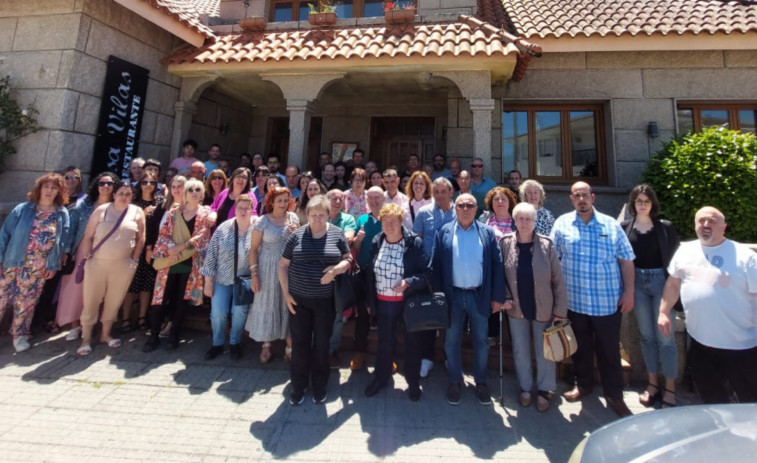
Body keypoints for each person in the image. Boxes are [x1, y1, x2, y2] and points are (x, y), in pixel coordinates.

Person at [550, 181, 635, 418]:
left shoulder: (610, 224)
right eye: (577, 195)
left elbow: (626, 261)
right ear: (571, 199)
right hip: (575, 302)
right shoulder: (562, 224)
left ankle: (614, 395)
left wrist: (629, 292)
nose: (581, 199)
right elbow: (553, 262)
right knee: (580, 349)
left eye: (585, 195)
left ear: (593, 197)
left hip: (606, 303)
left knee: (609, 351)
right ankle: (583, 385)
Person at [658, 207, 757, 404]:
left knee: (750, 403)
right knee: (711, 399)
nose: (705, 225)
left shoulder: (746, 257)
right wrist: (663, 311)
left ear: (724, 227)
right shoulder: (685, 251)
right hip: (701, 344)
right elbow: (673, 282)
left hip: (741, 347)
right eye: (700, 221)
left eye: (711, 221)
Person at [278, 195, 352, 405]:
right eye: (313, 214)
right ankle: (298, 387)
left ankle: (319, 386)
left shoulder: (337, 235)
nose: (317, 218)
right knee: (300, 345)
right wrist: (286, 294)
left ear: (328, 215)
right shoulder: (297, 235)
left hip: (325, 303)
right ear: (307, 215)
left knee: (321, 345)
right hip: (298, 301)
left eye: (322, 214)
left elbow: (348, 259)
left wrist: (336, 269)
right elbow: (283, 265)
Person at [433, 193, 505, 406]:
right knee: (451, 340)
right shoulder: (444, 231)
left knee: (481, 341)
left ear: (476, 209)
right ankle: (455, 381)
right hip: (452, 296)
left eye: (470, 205)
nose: (465, 208)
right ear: (456, 208)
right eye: (461, 205)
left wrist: (498, 297)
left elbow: (497, 265)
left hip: (479, 295)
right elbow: (436, 265)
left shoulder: (488, 233)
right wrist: (438, 296)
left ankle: (481, 382)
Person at [500, 202, 568, 412]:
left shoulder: (547, 245)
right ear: (514, 221)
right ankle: (526, 387)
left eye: (528, 219)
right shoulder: (505, 243)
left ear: (535, 221)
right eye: (520, 218)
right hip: (516, 306)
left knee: (544, 350)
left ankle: (545, 389)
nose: (524, 222)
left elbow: (558, 280)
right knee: (520, 349)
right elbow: (500, 274)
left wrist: (560, 310)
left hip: (544, 307)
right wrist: (504, 297)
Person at [620, 185, 680, 408]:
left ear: (653, 203)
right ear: (633, 204)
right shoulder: (626, 227)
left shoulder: (665, 228)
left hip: (662, 283)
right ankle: (652, 383)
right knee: (646, 336)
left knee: (666, 338)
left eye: (646, 201)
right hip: (637, 283)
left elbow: (676, 261)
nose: (642, 204)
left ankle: (671, 388)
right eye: (638, 201)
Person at [363, 203, 431, 401]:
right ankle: (381, 378)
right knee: (384, 342)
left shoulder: (414, 243)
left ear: (402, 222)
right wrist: (370, 302)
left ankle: (413, 382)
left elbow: (428, 273)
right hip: (383, 304)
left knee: (412, 343)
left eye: (394, 221)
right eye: (385, 221)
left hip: (408, 303)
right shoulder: (377, 240)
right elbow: (370, 273)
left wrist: (409, 282)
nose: (389, 225)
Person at [0, 173, 69, 352]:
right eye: (46, 186)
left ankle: (20, 335)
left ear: (59, 192)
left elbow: (61, 242)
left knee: (26, 302)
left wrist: (53, 266)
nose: (49, 191)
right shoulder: (23, 209)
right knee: (1, 299)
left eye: (54, 188)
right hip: (11, 262)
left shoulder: (61, 213)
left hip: (37, 268)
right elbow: (4, 234)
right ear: (39, 188)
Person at [143, 179, 214, 351]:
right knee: (160, 300)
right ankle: (153, 336)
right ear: (185, 193)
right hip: (170, 261)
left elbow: (203, 237)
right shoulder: (174, 213)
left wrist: (179, 248)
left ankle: (174, 335)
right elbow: (164, 234)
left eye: (198, 189)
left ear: (202, 193)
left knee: (181, 300)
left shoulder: (205, 214)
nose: (194, 192)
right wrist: (170, 251)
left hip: (189, 263)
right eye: (191, 189)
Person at [76, 181, 145, 356]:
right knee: (91, 299)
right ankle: (86, 338)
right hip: (98, 262)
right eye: (121, 193)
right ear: (114, 194)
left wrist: (134, 260)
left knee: (114, 299)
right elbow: (88, 235)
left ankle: (105, 334)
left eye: (128, 194)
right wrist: (87, 257)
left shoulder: (137, 212)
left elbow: (141, 238)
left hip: (123, 264)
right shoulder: (102, 210)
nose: (124, 197)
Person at [57, 172, 116, 341]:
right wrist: (67, 251)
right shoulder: (84, 206)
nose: (105, 187)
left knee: (98, 290)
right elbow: (72, 228)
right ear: (96, 186)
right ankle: (75, 325)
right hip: (82, 250)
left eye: (109, 184)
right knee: (75, 290)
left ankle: (90, 325)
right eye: (102, 183)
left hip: (105, 252)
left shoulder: (118, 206)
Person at [201, 194, 256, 361]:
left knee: (239, 312)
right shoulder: (223, 228)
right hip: (222, 279)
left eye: (247, 208)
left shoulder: (258, 228)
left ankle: (234, 342)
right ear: (235, 209)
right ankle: (217, 343)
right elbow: (211, 255)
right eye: (240, 207)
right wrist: (208, 281)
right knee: (218, 313)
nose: (243, 211)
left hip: (244, 280)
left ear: (252, 210)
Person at [247, 187, 300, 363]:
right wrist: (254, 274)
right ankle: (266, 345)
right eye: (279, 201)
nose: (283, 204)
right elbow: (253, 249)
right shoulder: (263, 221)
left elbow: (299, 244)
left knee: (287, 303)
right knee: (267, 303)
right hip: (266, 268)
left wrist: (295, 233)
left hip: (289, 267)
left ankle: (290, 345)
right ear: (271, 202)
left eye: (286, 200)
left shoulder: (293, 218)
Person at [412, 177, 457, 377]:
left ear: (451, 192)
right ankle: (426, 358)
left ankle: (450, 357)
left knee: (451, 317)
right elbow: (416, 241)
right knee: (428, 316)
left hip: (454, 272)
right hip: (429, 273)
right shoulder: (424, 212)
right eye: (436, 192)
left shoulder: (461, 211)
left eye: (443, 191)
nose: (439, 195)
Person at [350, 187, 387, 370]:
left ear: (383, 199)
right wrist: (358, 238)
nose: (373, 201)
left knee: (385, 316)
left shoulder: (390, 218)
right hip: (365, 273)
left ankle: (386, 355)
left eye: (377, 197)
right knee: (362, 315)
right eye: (370, 198)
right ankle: (360, 353)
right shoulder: (362, 219)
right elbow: (356, 246)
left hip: (385, 274)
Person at [144, 175, 186, 337]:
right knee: (160, 293)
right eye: (174, 186)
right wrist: (149, 249)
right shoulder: (162, 206)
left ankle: (170, 324)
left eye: (180, 186)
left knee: (175, 294)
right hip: (160, 256)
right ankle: (155, 325)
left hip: (179, 257)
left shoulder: (188, 208)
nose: (176, 189)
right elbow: (153, 229)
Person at [121, 171, 163, 333]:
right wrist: (143, 214)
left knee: (147, 285)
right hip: (133, 247)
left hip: (152, 247)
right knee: (131, 285)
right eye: (145, 182)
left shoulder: (160, 202)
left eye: (152, 182)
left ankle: (142, 317)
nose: (148, 185)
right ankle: (125, 318)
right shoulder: (133, 203)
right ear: (139, 184)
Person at [325, 189, 358, 367]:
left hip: (338, 273)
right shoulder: (319, 215)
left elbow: (348, 239)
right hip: (318, 272)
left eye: (340, 198)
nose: (337, 201)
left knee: (337, 314)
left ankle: (332, 350)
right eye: (333, 198)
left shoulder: (348, 219)